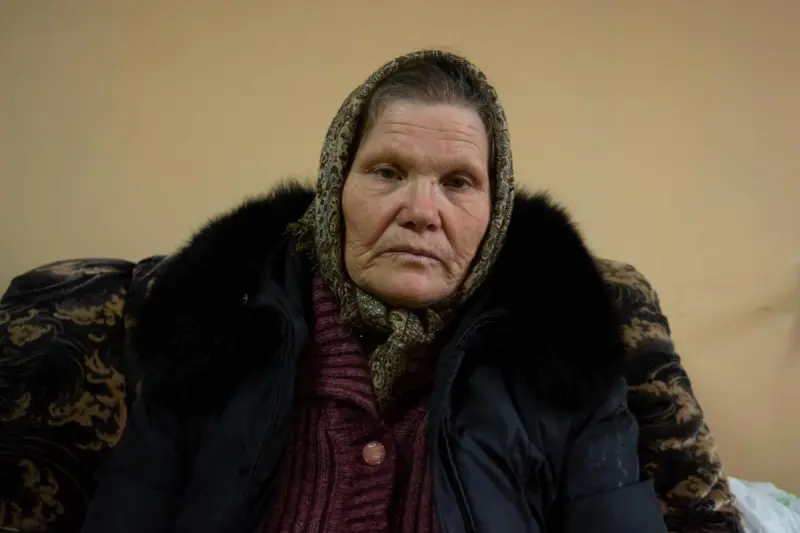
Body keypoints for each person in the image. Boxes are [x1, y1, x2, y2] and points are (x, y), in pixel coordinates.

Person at [81, 50, 668, 533]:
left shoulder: (564, 357)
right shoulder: (212, 329)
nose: (422, 211)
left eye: (458, 182)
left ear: (496, 214)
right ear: (336, 187)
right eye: (387, 172)